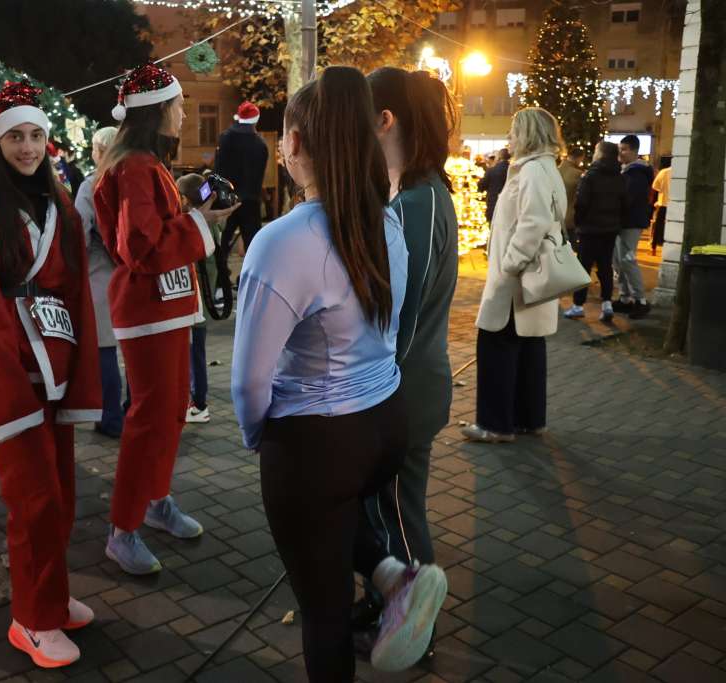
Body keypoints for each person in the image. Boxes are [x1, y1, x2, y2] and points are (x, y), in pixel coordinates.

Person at [232, 66, 414, 681]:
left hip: (319, 441)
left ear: (294, 142)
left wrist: (258, 435)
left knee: (324, 611)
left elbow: (249, 381)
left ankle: (392, 579)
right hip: (385, 421)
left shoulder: (283, 241)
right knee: (335, 520)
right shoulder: (385, 220)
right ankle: (394, 577)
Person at [0, 82, 102, 669]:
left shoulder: (55, 197)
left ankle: (51, 600)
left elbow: (71, 284)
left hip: (53, 358)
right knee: (32, 495)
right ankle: (30, 620)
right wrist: (2, 378)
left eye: (36, 135)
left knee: (59, 489)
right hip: (7, 366)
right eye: (16, 136)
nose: (29, 147)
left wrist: (79, 364)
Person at [93, 64, 237, 575]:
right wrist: (201, 222)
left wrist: (193, 214)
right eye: (177, 105)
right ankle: (122, 529)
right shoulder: (134, 166)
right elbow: (141, 247)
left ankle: (153, 502)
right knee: (151, 418)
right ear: (156, 111)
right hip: (150, 309)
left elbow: (149, 235)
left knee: (172, 410)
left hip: (167, 306)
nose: (183, 114)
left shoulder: (144, 164)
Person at [351, 66, 459, 668]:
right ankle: (387, 604)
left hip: (404, 390)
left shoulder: (418, 203)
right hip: (408, 386)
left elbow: (405, 316)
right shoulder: (419, 194)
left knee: (397, 513)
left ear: (384, 121)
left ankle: (415, 628)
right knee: (386, 507)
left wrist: (375, 397)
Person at [461, 108, 567, 444]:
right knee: (529, 346)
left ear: (528, 134)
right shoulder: (546, 167)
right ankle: (528, 419)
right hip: (531, 277)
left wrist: (510, 263)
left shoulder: (531, 170)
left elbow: (533, 222)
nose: (510, 136)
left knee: (497, 345)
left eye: (514, 130)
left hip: (517, 278)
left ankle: (495, 425)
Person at [74, 126, 124, 439]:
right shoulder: (131, 181)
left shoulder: (91, 185)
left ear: (99, 151)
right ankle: (130, 411)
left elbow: (78, 232)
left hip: (100, 277)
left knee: (104, 353)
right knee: (132, 353)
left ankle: (110, 418)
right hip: (130, 278)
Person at [564, 142, 629, 322]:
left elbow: (581, 203)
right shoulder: (619, 177)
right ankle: (607, 303)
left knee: (583, 266)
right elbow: (624, 204)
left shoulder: (590, 176)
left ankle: (578, 305)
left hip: (589, 229)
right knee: (605, 266)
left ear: (600, 154)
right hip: (610, 229)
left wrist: (579, 222)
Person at [177, 172, 222, 425]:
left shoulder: (190, 224)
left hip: (194, 303)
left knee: (193, 357)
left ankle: (198, 404)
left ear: (184, 199)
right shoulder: (208, 220)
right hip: (201, 300)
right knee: (197, 356)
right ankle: (197, 401)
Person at [214, 101, 269, 254]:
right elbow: (258, 176)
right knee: (253, 247)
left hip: (227, 200)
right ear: (256, 120)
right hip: (250, 202)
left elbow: (218, 170)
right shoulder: (260, 145)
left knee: (221, 245)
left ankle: (221, 269)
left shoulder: (225, 139)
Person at [613, 134, 655, 318]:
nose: (620, 153)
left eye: (624, 149)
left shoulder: (636, 173)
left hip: (630, 223)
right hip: (623, 222)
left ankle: (640, 300)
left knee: (627, 259)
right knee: (619, 260)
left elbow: (628, 200)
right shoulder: (628, 171)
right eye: (619, 149)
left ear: (634, 151)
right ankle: (624, 298)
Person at [559, 148, 586, 247]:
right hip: (569, 218)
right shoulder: (578, 174)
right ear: (579, 158)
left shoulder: (556, 170)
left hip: (554, 217)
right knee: (570, 248)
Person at [478, 148, 510, 225]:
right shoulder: (514, 170)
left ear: (498, 157)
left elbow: (481, 186)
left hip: (493, 205)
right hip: (509, 207)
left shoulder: (492, 171)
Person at [650, 155, 672, 255]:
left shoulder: (663, 172)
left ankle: (653, 248)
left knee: (658, 225)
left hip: (663, 202)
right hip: (675, 205)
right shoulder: (682, 173)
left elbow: (655, 186)